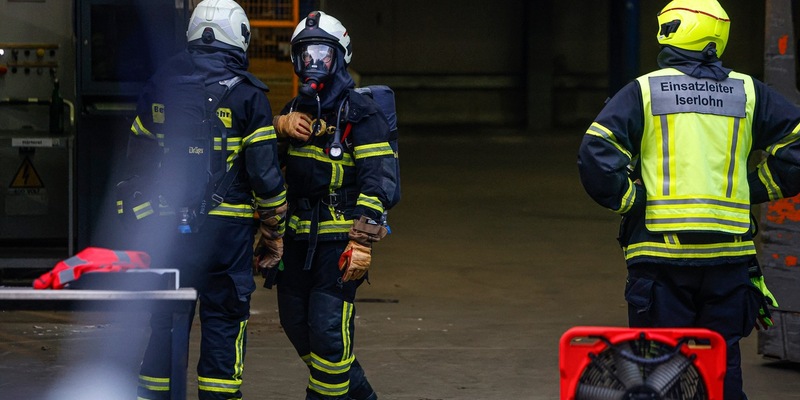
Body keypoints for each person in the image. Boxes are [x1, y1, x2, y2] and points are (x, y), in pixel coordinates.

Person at [577, 1, 800, 399]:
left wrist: (631, 200)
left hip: (659, 258)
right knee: (719, 362)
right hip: (729, 259)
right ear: (718, 35)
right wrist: (755, 187)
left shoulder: (643, 91)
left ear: (669, 32)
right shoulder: (748, 93)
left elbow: (597, 151)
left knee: (661, 365)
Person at [123, 1, 286, 399]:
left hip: (169, 231)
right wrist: (274, 231)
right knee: (225, 322)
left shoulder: (160, 83)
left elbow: (137, 160)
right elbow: (265, 176)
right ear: (240, 36)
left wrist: (143, 219)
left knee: (165, 323)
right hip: (226, 236)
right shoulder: (249, 95)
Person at [262, 10, 399, 400]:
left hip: (338, 243)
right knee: (297, 327)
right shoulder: (292, 111)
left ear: (340, 56)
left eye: (322, 53)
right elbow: (261, 166)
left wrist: (363, 238)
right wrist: (278, 128)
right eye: (305, 55)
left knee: (327, 336)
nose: (313, 64)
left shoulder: (362, 113)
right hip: (296, 242)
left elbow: (379, 179)